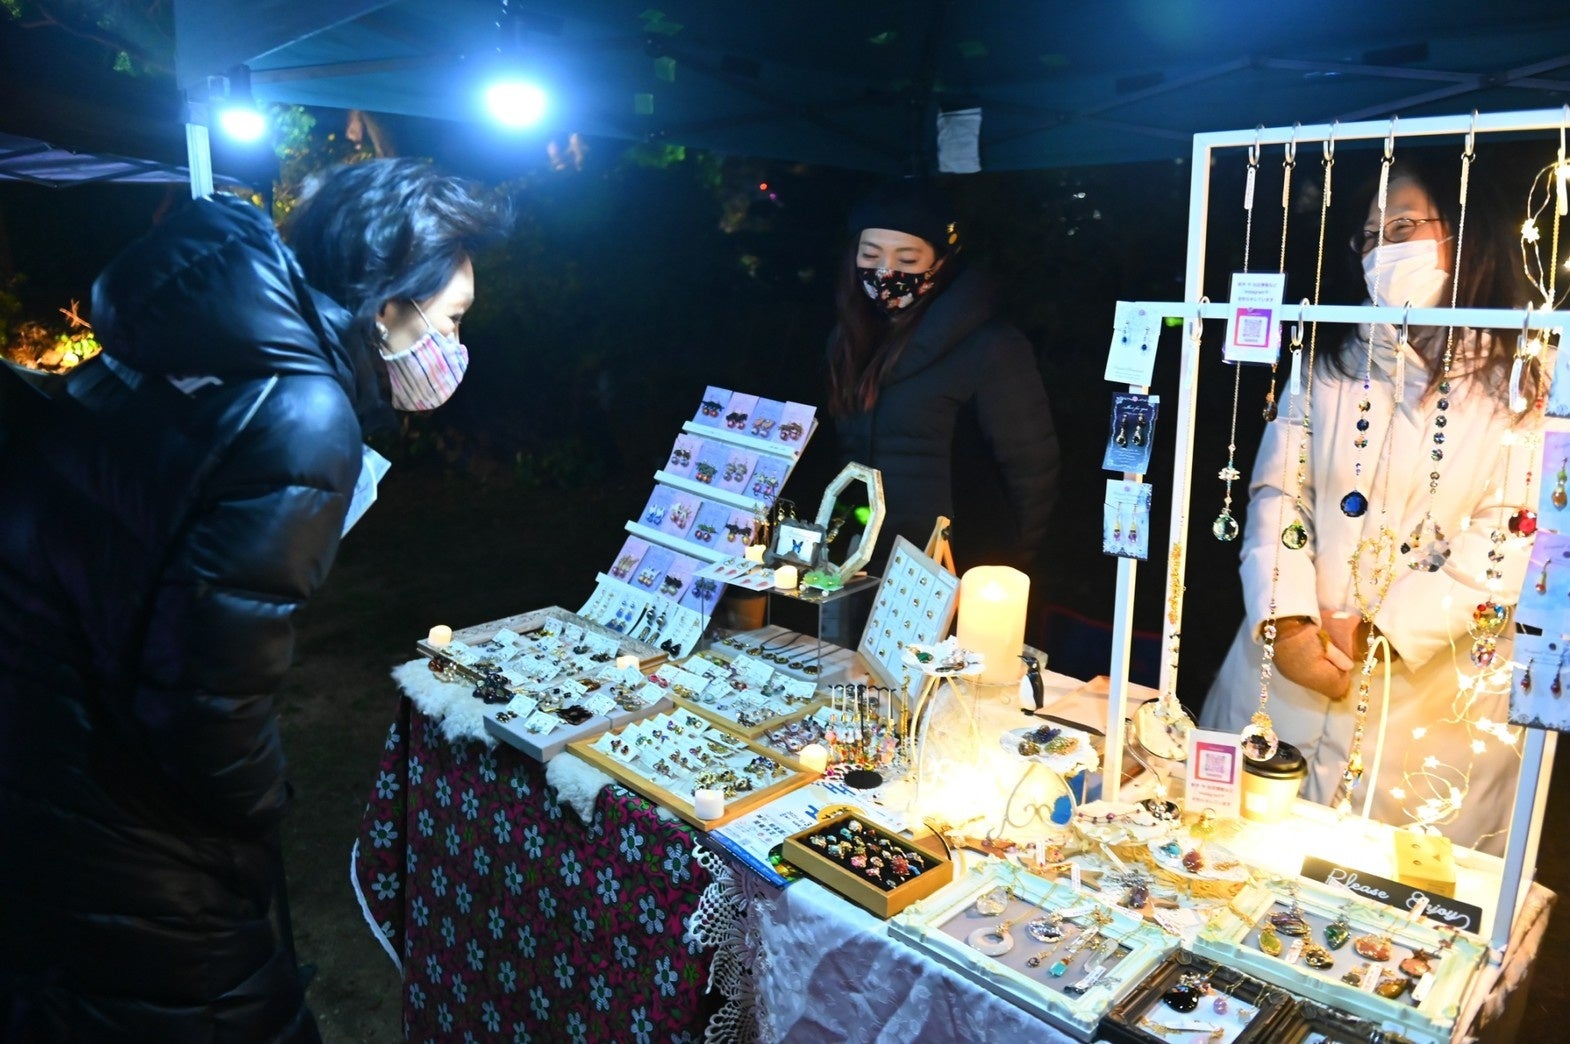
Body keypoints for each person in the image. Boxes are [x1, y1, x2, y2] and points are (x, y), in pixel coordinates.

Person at [0, 159, 505, 1039]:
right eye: (453, 318)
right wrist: (259, 808)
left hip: (46, 741)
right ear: (389, 306)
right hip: (131, 809)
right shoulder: (301, 415)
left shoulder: (198, 342)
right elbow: (208, 702)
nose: (456, 346)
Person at [1200, 153, 1535, 855]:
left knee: (1389, 890)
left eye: (1405, 227)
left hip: (1432, 708)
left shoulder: (1530, 379)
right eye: (1371, 237)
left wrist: (1380, 632)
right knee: (1234, 859)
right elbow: (1279, 494)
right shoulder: (1328, 362)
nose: (1385, 251)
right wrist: (1288, 622)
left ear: (1466, 233)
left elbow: (1512, 533)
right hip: (1285, 679)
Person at [826, 179, 1060, 581]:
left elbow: (1032, 471)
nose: (886, 271)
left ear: (941, 261)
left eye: (907, 258)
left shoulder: (992, 346)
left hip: (950, 568)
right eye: (870, 254)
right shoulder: (847, 339)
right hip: (860, 564)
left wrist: (1007, 569)